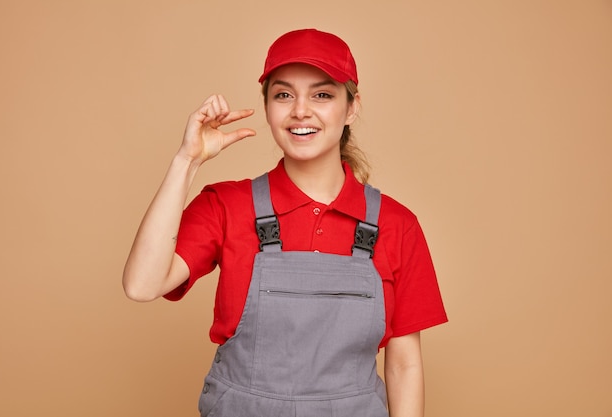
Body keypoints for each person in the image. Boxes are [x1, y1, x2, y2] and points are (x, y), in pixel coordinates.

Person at [123, 28, 447, 417]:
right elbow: (142, 285)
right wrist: (187, 161)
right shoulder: (226, 205)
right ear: (267, 108)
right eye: (283, 94)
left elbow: (404, 363)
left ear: (351, 107)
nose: (300, 111)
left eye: (322, 94)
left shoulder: (397, 225)